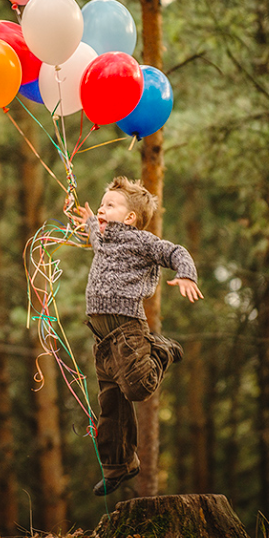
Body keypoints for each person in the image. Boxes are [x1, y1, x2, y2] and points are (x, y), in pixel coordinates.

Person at [73, 176, 203, 496]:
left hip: (129, 332)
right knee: (111, 405)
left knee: (137, 388)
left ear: (130, 217)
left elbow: (175, 251)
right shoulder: (102, 237)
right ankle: (120, 465)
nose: (102, 209)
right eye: (102, 204)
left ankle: (160, 350)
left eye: (110, 206)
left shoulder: (141, 241)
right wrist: (90, 220)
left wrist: (186, 273)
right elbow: (94, 229)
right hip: (102, 339)